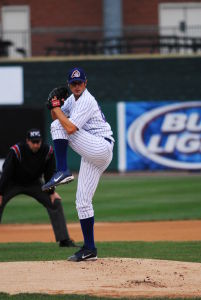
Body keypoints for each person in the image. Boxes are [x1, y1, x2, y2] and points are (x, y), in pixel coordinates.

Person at [42, 67, 114, 261]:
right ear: (69, 84)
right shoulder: (73, 100)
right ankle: (90, 249)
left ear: (86, 83)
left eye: (79, 82)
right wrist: (54, 106)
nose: (76, 86)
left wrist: (55, 106)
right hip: (92, 152)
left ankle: (62, 170)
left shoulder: (86, 100)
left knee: (59, 127)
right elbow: (56, 116)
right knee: (82, 202)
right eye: (73, 83)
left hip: (100, 146)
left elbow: (70, 127)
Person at [0, 128, 76, 248]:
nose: (36, 144)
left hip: (34, 183)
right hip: (12, 183)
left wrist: (52, 192)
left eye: (38, 142)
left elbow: (49, 173)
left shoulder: (47, 151)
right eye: (33, 142)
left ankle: (64, 240)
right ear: (27, 141)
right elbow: (6, 172)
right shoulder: (17, 150)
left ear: (41, 141)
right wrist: (1, 193)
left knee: (55, 202)